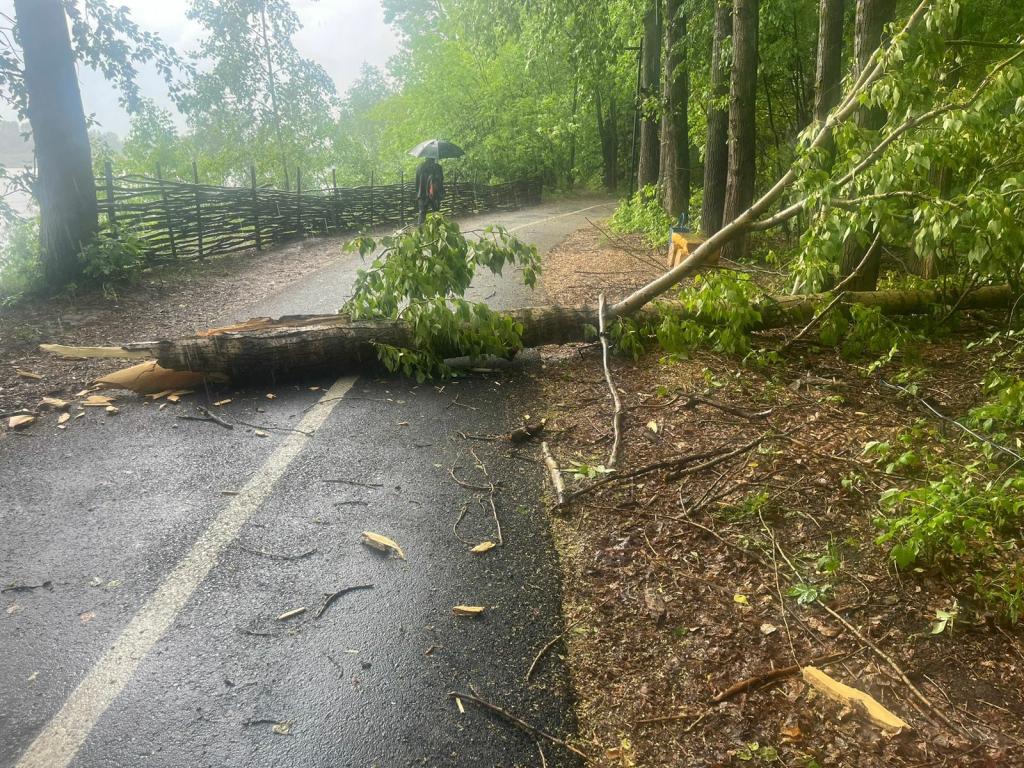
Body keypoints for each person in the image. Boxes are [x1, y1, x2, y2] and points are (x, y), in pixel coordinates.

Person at [415, 156, 444, 225]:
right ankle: (437, 229)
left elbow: (417, 182)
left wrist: (417, 193)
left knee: (422, 213)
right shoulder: (438, 167)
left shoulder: (419, 167)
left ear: (425, 157)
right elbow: (441, 180)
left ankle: (421, 230)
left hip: (422, 194)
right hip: (435, 194)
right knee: (436, 213)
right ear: (434, 157)